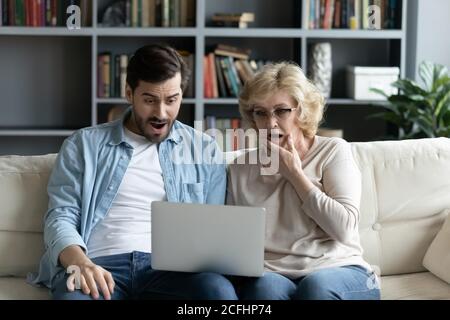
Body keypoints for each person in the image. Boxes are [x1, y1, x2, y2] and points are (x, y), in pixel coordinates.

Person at [28, 44, 237, 300]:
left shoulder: (204, 149)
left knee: (218, 293)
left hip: (173, 273)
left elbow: (213, 229)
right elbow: (61, 215)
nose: (161, 113)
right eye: (149, 100)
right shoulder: (84, 145)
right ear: (129, 93)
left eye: (172, 100)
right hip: (100, 265)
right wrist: (80, 262)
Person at [226, 62, 381, 300]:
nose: (271, 123)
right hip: (272, 273)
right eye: (261, 113)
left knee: (316, 289)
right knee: (264, 290)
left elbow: (344, 229)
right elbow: (234, 241)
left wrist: (295, 174)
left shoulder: (333, 151)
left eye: (281, 111)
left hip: (338, 268)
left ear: (302, 111)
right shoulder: (239, 169)